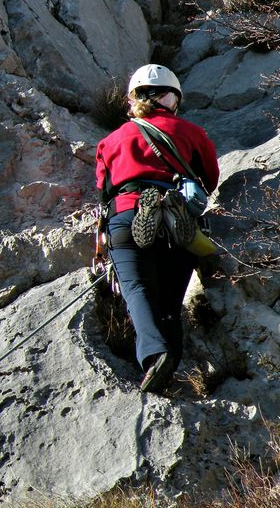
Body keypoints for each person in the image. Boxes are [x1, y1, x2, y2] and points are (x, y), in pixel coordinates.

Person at [95, 64, 219, 393]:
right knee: (169, 303)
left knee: (137, 291)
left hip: (126, 215)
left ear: (134, 99)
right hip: (179, 221)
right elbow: (210, 178)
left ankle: (154, 355)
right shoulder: (191, 132)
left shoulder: (111, 140)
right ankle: (170, 370)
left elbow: (104, 190)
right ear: (171, 98)